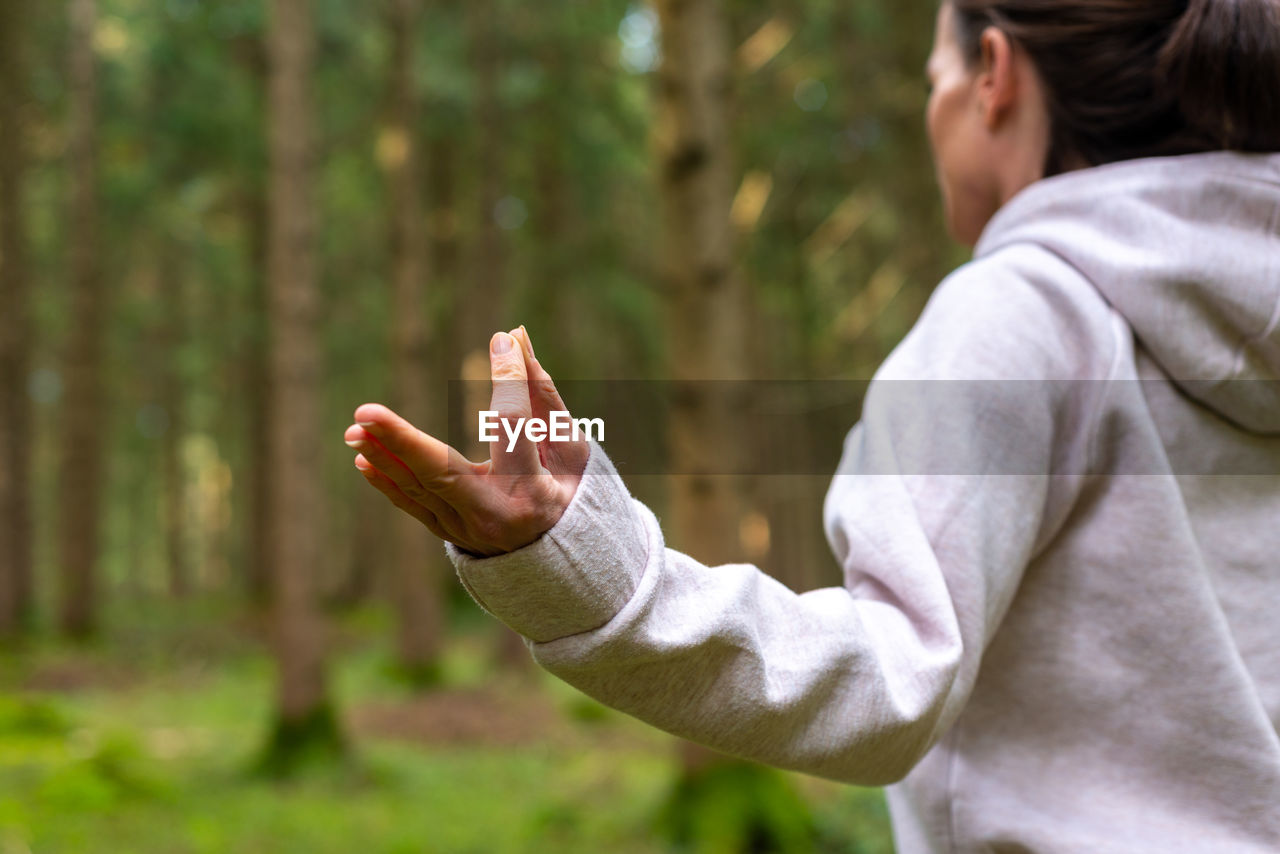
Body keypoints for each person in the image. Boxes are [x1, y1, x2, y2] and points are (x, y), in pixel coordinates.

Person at [343, 0, 1280, 850]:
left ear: (993, 74)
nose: (930, 112)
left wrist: (580, 567)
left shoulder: (1024, 314)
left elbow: (891, 683)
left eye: (933, 81)